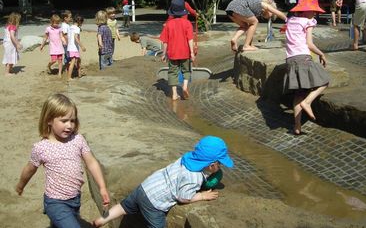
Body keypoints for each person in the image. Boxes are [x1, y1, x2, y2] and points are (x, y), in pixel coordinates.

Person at [92, 135, 234, 228]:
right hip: (154, 203)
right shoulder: (194, 177)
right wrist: (202, 196)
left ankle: (102, 220)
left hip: (145, 187)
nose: (220, 166)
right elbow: (183, 197)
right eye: (220, 163)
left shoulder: (186, 158)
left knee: (123, 207)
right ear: (212, 165)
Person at [16, 93, 110, 228]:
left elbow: (91, 162)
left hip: (75, 199)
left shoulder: (77, 139)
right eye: (64, 121)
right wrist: (21, 185)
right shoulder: (41, 148)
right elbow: (30, 169)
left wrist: (102, 187)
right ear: (49, 120)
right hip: (55, 202)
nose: (70, 126)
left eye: (72, 120)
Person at [283, 0, 330, 135]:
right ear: (305, 10)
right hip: (303, 57)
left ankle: (297, 126)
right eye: (313, 9)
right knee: (324, 81)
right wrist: (321, 54)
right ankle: (308, 102)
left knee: (299, 93)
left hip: (290, 59)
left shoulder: (290, 21)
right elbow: (309, 44)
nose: (315, 12)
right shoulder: (308, 22)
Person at [160, 0, 195, 100]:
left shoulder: (168, 25)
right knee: (186, 70)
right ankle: (184, 86)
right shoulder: (187, 23)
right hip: (185, 52)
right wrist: (192, 52)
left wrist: (163, 54)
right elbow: (190, 40)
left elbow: (165, 41)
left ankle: (174, 94)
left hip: (173, 53)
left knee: (172, 72)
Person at [67, 15, 86, 81]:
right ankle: (69, 77)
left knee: (78, 60)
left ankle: (79, 74)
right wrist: (82, 46)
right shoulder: (77, 28)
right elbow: (76, 38)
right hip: (74, 47)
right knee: (73, 61)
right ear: (79, 22)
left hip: (70, 47)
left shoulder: (70, 27)